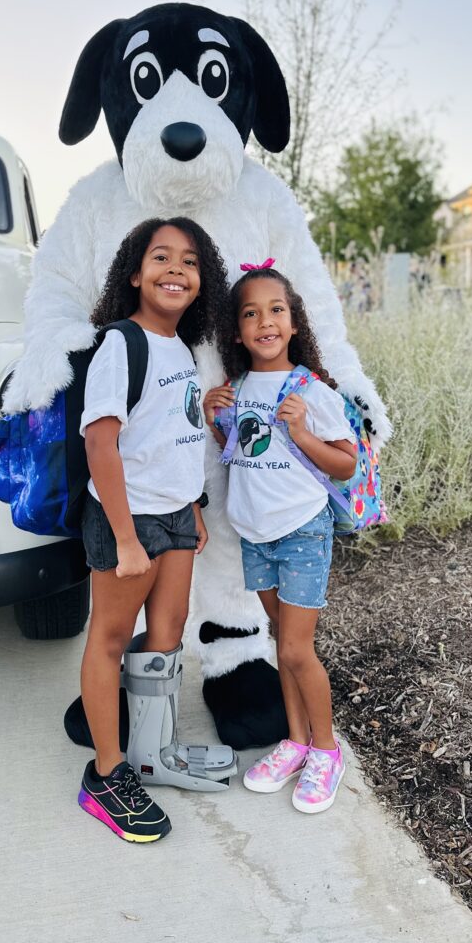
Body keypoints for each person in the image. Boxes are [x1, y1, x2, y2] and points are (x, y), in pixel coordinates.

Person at [77, 217, 228, 843]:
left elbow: (178, 436)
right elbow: (101, 443)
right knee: (110, 640)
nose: (175, 270)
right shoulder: (122, 344)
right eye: (160, 258)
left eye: (189, 261)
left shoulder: (182, 352)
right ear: (135, 274)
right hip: (128, 518)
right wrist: (127, 538)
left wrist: (192, 504)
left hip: (174, 515)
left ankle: (152, 755)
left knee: (166, 637)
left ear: (201, 280)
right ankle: (106, 774)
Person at [203, 262, 357, 814]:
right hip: (254, 533)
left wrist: (300, 430)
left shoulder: (310, 391)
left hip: (301, 532)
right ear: (238, 331)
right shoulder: (237, 388)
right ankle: (295, 742)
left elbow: (344, 464)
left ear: (294, 324)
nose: (264, 321)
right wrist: (214, 416)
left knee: (296, 648)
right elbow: (242, 453)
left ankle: (326, 749)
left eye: (276, 311)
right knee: (280, 644)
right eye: (250, 314)